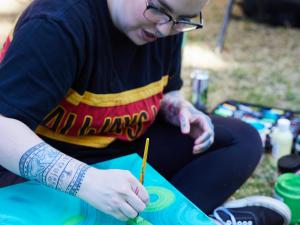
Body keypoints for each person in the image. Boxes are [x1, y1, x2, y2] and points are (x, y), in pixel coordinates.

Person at [0, 0, 291, 224]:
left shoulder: (168, 21)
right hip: (36, 165)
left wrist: (177, 107)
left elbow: (167, 89)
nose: (165, 29)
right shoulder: (57, 24)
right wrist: (85, 181)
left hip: (118, 151)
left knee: (241, 140)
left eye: (183, 20)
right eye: (159, 10)